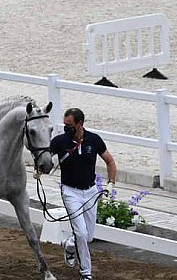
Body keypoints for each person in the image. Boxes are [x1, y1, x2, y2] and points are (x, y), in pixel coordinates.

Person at [50, 108, 117, 280]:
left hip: (90, 191)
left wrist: (110, 183)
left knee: (87, 237)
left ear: (80, 124)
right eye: (65, 124)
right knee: (80, 233)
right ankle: (86, 273)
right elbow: (44, 158)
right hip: (70, 192)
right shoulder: (59, 142)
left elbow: (110, 162)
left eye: (69, 125)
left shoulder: (93, 140)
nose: (66, 128)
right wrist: (38, 168)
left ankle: (70, 245)